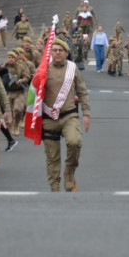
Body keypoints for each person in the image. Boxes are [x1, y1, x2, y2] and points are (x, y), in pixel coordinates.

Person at [41, 39, 91, 192]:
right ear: (51, 52)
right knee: (52, 156)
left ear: (66, 53)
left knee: (74, 142)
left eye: (60, 50)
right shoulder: (43, 69)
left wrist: (86, 113)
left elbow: (82, 91)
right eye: (54, 50)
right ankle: (54, 186)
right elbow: (33, 94)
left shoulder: (73, 68)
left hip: (69, 115)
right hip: (49, 118)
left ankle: (69, 171)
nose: (57, 52)